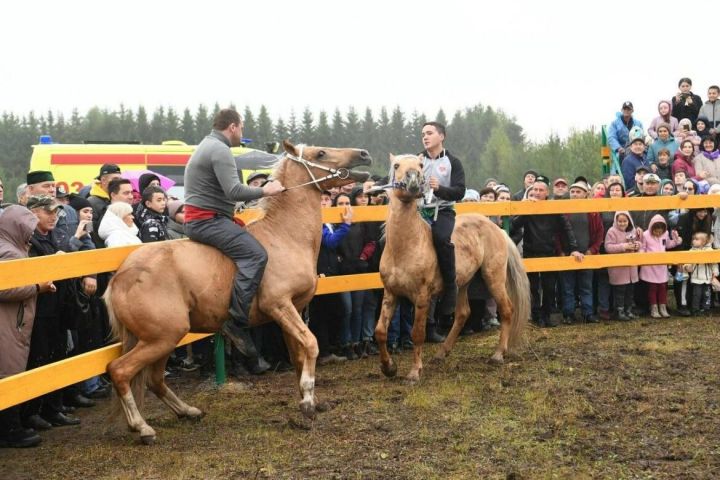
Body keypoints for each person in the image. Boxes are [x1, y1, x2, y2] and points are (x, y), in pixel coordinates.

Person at [183, 108, 284, 358]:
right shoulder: (220, 149)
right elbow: (234, 191)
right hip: (207, 222)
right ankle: (237, 322)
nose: (242, 132)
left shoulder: (209, 145)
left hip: (208, 219)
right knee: (256, 255)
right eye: (242, 127)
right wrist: (266, 191)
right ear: (233, 127)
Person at [22, 195, 82, 429]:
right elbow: (29, 272)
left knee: (57, 355)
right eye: (48, 212)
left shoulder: (53, 237)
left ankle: (53, 407)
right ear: (32, 213)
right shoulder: (29, 240)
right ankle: (32, 411)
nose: (54, 216)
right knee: (39, 359)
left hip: (57, 307)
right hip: (39, 309)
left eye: (56, 212)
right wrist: (56, 262)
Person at [510, 177, 583, 327]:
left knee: (550, 287)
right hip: (531, 251)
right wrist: (525, 210)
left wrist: (574, 248)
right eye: (534, 189)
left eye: (540, 190)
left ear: (547, 192)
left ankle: (547, 315)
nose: (537, 192)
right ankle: (536, 316)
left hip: (549, 251)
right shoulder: (527, 207)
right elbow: (513, 226)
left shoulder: (554, 207)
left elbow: (566, 229)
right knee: (533, 287)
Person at [0, 206, 44, 448]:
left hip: (12, 321)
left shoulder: (12, 247)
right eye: (28, 228)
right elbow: (4, 287)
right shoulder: (8, 252)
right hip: (8, 323)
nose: (32, 234)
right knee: (9, 372)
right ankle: (10, 430)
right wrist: (38, 286)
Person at [419, 121, 466, 333]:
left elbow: (460, 191)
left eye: (429, 133)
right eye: (423, 134)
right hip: (419, 211)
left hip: (443, 211)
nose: (425, 137)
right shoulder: (417, 160)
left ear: (442, 136)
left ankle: (450, 287)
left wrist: (439, 189)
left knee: (440, 238)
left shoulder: (453, 161)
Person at [310, 190, 352, 365]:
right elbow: (330, 242)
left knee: (337, 311)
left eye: (327, 199)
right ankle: (321, 353)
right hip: (320, 273)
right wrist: (346, 225)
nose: (324, 202)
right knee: (320, 314)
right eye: (321, 200)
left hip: (332, 272)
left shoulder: (329, 222)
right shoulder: (316, 222)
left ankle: (328, 349)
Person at [560, 182, 603, 324]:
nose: (575, 194)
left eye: (578, 191)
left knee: (586, 286)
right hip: (567, 255)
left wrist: (592, 250)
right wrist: (561, 252)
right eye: (572, 191)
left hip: (587, 254)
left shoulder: (592, 211)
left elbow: (599, 233)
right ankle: (568, 313)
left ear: (586, 194)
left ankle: (588, 313)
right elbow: (557, 234)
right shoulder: (564, 210)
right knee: (568, 287)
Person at [640, 215, 681, 318]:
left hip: (662, 267)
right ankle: (654, 308)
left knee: (663, 287)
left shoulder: (665, 234)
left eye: (660, 232)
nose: (658, 234)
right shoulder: (645, 235)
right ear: (651, 229)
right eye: (656, 232)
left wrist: (675, 240)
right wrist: (642, 257)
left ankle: (662, 307)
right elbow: (642, 248)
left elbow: (667, 245)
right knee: (652, 288)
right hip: (650, 267)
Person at [604, 211, 640, 321]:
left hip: (631, 268)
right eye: (619, 221)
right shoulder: (611, 231)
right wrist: (624, 246)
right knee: (619, 292)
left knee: (630, 291)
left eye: (625, 221)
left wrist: (637, 245)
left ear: (629, 221)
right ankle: (619, 311)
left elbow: (640, 242)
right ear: (616, 221)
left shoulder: (633, 230)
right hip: (618, 269)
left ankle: (628, 310)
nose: (622, 223)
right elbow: (608, 247)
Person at [87, 164, 122, 247]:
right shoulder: (91, 202)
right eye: (115, 179)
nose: (119, 182)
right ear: (103, 180)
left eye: (120, 179)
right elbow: (89, 230)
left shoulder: (117, 199)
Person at [683, 232, 718, 316]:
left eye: (696, 239)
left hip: (707, 278)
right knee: (696, 295)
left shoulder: (710, 251)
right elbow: (688, 262)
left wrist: (715, 271)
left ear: (704, 242)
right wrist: (687, 267)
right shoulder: (691, 251)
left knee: (707, 295)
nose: (693, 241)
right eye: (693, 239)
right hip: (696, 278)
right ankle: (695, 310)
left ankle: (706, 309)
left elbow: (714, 263)